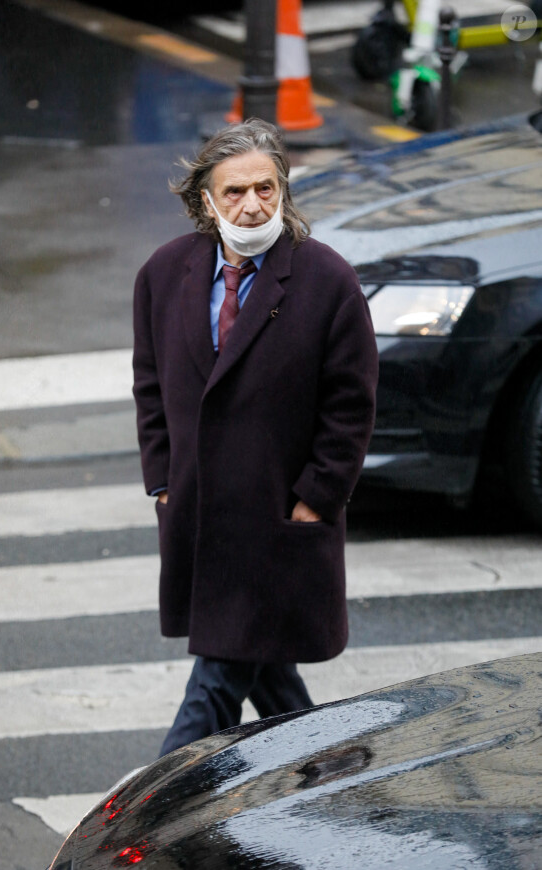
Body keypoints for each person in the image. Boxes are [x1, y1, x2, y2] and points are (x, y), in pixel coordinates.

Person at [132, 118, 378, 758]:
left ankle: (141, 825)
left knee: (213, 686)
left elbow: (351, 404)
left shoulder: (327, 281)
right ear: (205, 201)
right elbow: (150, 384)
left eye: (266, 189)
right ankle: (332, 783)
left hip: (279, 519)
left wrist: (318, 496)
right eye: (235, 192)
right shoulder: (163, 274)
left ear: (283, 191)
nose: (252, 204)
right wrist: (162, 480)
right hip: (201, 514)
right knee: (268, 678)